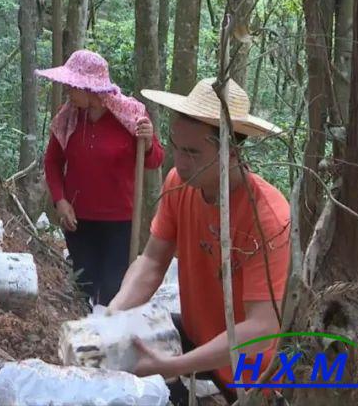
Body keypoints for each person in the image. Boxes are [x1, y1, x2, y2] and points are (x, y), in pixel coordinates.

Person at [106, 78, 290, 405]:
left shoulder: (268, 218)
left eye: (192, 152)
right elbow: (151, 262)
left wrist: (172, 366)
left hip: (248, 372)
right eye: (176, 147)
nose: (179, 162)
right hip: (194, 333)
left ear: (230, 151)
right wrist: (113, 313)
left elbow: (262, 329)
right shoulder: (179, 183)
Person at [36, 50, 164, 308]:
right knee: (84, 286)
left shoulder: (131, 116)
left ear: (90, 89)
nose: (68, 91)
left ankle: (106, 341)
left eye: (73, 86)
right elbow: (52, 162)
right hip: (78, 220)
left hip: (119, 222)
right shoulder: (68, 116)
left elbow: (154, 161)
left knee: (112, 289)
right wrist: (60, 201)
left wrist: (148, 141)